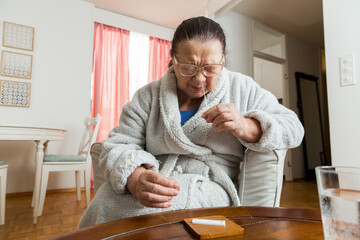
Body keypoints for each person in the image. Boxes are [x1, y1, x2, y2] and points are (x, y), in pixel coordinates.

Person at [79, 16, 304, 228]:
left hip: (210, 184)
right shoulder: (149, 95)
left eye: (210, 68)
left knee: (155, 213)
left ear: (223, 60)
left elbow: (294, 128)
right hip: (156, 175)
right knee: (103, 201)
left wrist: (246, 125)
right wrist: (136, 178)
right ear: (173, 60)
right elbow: (118, 143)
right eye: (188, 67)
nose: (199, 79)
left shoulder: (242, 89)